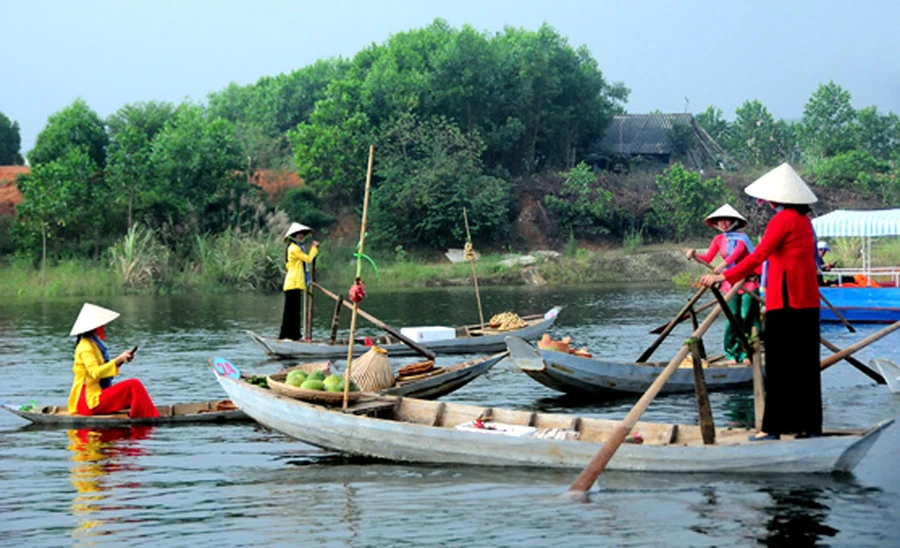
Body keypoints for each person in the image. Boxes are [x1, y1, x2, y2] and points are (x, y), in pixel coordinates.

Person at [699, 163, 822, 441]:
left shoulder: (783, 220)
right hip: (807, 303)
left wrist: (724, 277)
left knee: (779, 368)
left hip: (786, 302)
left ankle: (775, 428)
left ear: (775, 199)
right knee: (804, 367)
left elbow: (758, 256)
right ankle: (808, 427)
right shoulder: (804, 221)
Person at [686, 204, 759, 365]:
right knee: (732, 317)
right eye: (720, 221)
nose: (723, 223)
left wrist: (722, 266)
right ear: (716, 223)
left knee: (747, 316)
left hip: (748, 283)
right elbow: (708, 258)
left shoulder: (743, 238)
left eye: (726, 220)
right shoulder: (718, 239)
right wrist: (694, 254)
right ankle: (732, 353)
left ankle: (747, 352)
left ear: (734, 221)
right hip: (729, 283)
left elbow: (736, 254)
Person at [68, 303, 160, 419]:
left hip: (94, 397)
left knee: (132, 392)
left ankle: (144, 414)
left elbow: (104, 370)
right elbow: (95, 372)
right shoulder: (85, 347)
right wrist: (118, 360)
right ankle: (149, 417)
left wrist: (121, 361)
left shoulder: (93, 344)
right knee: (133, 385)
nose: (104, 326)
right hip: (89, 402)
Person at [279, 222, 319, 340]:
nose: (301, 236)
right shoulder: (293, 248)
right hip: (293, 283)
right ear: (294, 235)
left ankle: (294, 335)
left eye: (302, 234)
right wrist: (314, 248)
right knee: (291, 312)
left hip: (295, 283)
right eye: (298, 234)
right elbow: (307, 259)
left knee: (295, 312)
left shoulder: (296, 247)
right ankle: (289, 335)